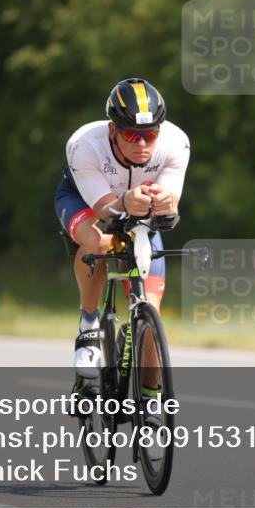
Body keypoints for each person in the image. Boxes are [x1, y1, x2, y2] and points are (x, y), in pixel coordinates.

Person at [56, 78, 190, 380]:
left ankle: (153, 402)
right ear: (113, 130)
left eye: (150, 135)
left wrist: (167, 205)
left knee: (152, 322)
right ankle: (89, 325)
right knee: (100, 241)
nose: (142, 144)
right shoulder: (85, 145)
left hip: (136, 207)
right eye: (131, 134)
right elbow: (105, 210)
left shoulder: (175, 143)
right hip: (84, 200)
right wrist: (126, 201)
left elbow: (168, 209)